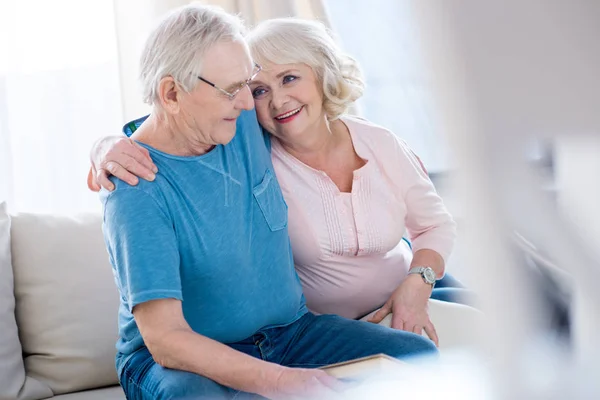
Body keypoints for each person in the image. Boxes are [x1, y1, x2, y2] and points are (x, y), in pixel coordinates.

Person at [97, 5, 438, 400]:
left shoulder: (236, 122)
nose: (250, 103)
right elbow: (167, 341)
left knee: (418, 359)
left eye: (248, 83)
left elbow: (314, 115)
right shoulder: (135, 189)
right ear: (172, 94)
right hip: (176, 362)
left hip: (291, 333)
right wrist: (280, 381)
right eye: (232, 90)